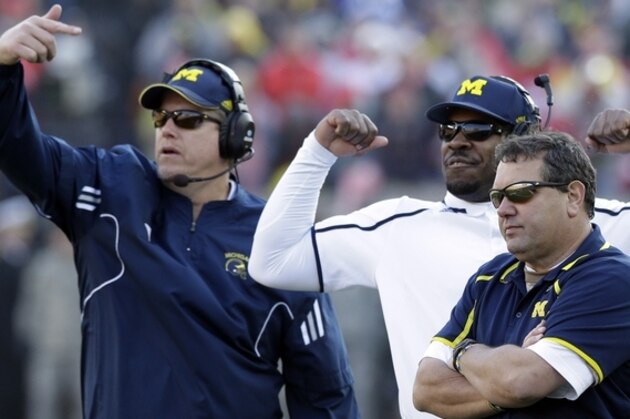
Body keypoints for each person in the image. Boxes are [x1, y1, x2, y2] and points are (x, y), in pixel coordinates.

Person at [0, 5, 359, 419]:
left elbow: (326, 396)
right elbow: (17, 149)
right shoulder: (109, 188)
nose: (167, 129)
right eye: (161, 117)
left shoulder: (277, 237)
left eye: (187, 119)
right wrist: (4, 69)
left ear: (235, 135)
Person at [248, 75, 630, 417]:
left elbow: (522, 381)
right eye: (448, 130)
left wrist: (466, 358)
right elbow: (272, 261)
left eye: (479, 128)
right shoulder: (399, 225)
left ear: (525, 137)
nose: (458, 141)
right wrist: (317, 152)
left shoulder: (589, 221)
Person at [413, 131, 630, 417]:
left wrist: (464, 352)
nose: (503, 210)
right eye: (497, 197)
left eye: (520, 192)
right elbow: (425, 390)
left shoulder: (611, 279)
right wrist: (506, 371)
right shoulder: (489, 277)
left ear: (574, 196)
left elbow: (520, 383)